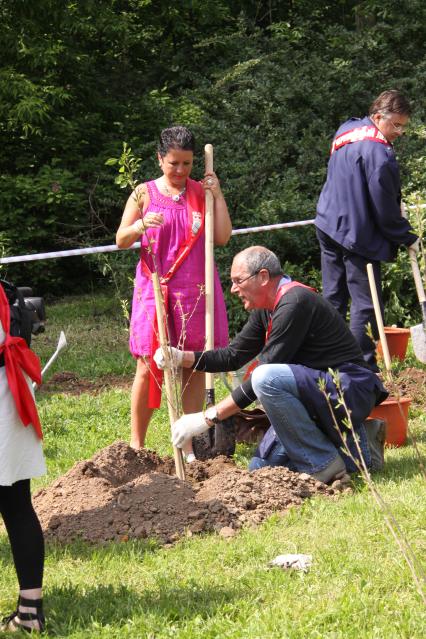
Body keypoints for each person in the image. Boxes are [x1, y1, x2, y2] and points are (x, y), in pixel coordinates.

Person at [155, 246, 388, 483]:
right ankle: (360, 448)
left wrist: (207, 417)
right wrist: (179, 357)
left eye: (238, 280)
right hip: (315, 395)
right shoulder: (267, 310)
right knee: (260, 470)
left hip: (346, 389)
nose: (233, 288)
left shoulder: (295, 303)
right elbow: (233, 356)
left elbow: (262, 376)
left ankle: (325, 465)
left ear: (263, 277)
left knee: (266, 378)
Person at [116, 126, 231, 459]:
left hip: (196, 289)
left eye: (187, 164)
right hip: (155, 289)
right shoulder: (143, 193)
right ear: (159, 158)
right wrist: (140, 226)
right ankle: (136, 445)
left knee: (193, 365)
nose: (180, 171)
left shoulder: (202, 191)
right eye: (173, 163)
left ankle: (189, 444)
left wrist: (218, 195)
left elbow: (222, 236)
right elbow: (121, 239)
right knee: (147, 366)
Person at [315, 89, 419, 371]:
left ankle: (328, 360)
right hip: (357, 233)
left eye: (403, 126)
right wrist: (407, 236)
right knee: (365, 303)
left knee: (333, 296)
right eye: (395, 124)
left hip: (327, 222)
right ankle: (361, 366)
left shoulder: (346, 129)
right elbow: (385, 210)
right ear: (377, 117)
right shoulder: (380, 155)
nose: (399, 131)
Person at [0, 283, 46, 633]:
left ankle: (30, 613)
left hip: (5, 393)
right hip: (7, 395)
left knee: (17, 507)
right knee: (17, 507)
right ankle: (30, 612)